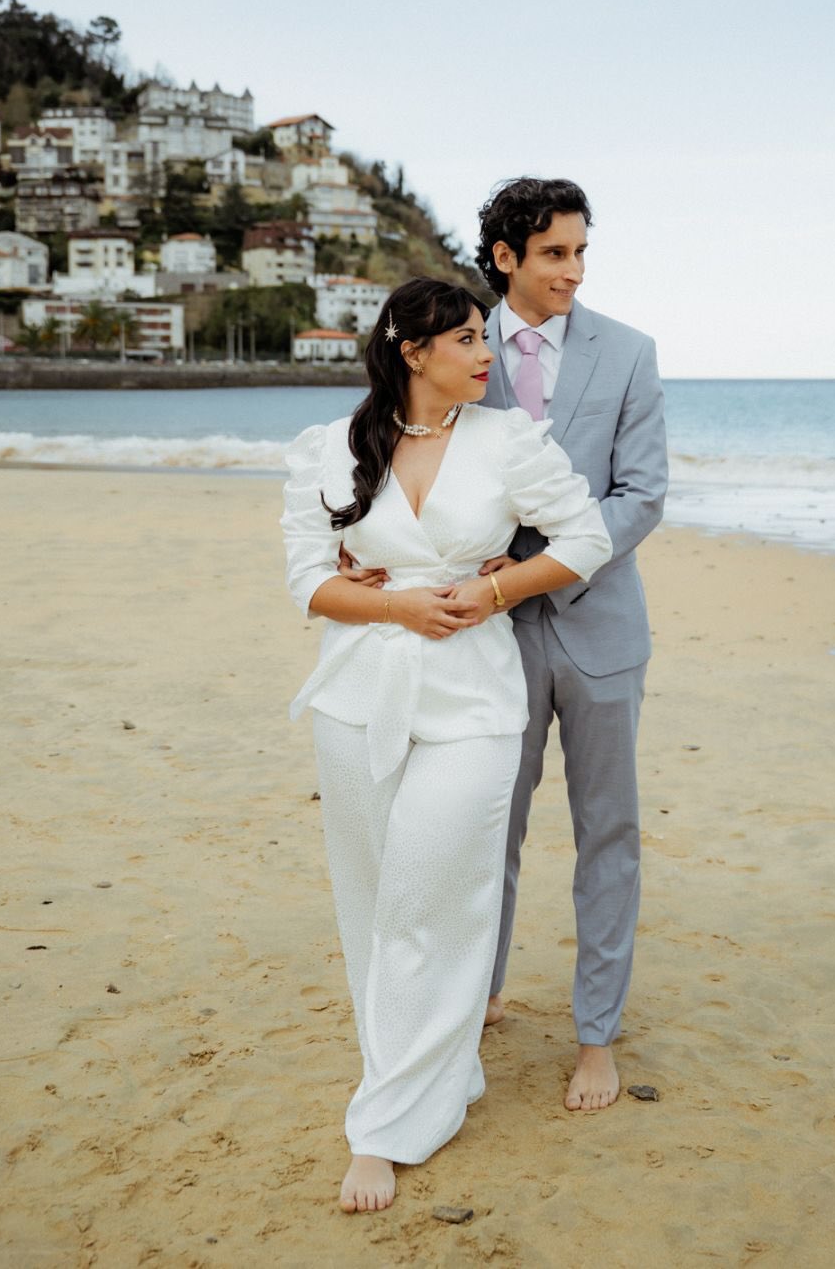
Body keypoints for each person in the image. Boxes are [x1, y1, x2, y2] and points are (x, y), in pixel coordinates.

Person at [280, 277, 611, 1213]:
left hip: (474, 698)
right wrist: (390, 602)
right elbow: (308, 580)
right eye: (466, 339)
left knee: (436, 893)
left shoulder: (508, 440)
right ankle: (438, 1071)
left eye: (484, 336)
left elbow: (584, 536)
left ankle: (381, 1129)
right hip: (359, 695)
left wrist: (497, 591)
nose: (485, 354)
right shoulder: (330, 449)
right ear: (411, 350)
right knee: (375, 900)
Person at [475, 177, 669, 1111]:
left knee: (610, 835)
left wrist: (553, 569)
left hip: (601, 627)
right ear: (507, 257)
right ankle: (478, 995)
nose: (574, 271)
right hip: (488, 637)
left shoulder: (629, 354)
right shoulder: (460, 351)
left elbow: (641, 496)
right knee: (486, 830)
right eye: (555, 253)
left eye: (582, 252)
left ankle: (597, 1035)